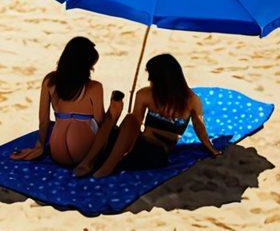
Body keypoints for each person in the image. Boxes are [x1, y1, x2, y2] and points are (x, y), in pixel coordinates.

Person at [74, 54, 219, 178]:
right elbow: (135, 123)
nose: (149, 79)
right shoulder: (145, 94)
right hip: (136, 144)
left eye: (152, 76)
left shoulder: (190, 100)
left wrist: (210, 147)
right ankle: (89, 161)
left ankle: (107, 166)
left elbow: (199, 126)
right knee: (121, 120)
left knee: (123, 131)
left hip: (156, 152)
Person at [11, 37, 106, 166]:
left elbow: (43, 121)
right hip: (83, 154)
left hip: (57, 153)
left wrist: (39, 146)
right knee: (110, 127)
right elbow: (100, 122)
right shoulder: (95, 87)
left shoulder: (49, 81)